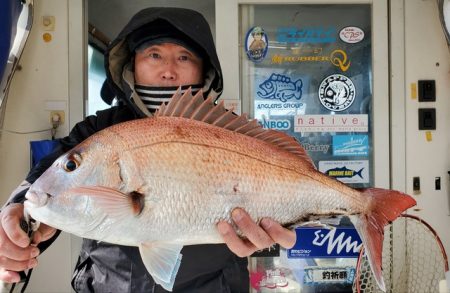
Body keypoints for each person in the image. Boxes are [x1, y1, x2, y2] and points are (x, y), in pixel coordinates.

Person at [0, 7, 295, 292]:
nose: (168, 70)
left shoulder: (229, 132)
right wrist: (19, 215)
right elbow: (50, 173)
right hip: (107, 285)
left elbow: (278, 192)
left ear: (204, 69)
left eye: (184, 56)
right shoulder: (100, 129)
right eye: (154, 54)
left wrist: (283, 223)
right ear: (132, 64)